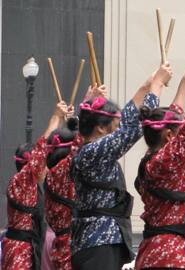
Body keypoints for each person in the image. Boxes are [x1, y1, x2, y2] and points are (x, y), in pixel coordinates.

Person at [70, 64, 172, 269]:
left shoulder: (91, 149)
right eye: (113, 127)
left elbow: (125, 119)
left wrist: (146, 85)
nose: (118, 129)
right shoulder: (91, 152)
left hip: (104, 241)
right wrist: (157, 88)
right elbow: (131, 132)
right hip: (97, 243)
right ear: (100, 127)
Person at [134, 61, 185, 269]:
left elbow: (177, 117)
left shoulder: (154, 160)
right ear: (170, 136)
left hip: (154, 251)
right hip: (168, 254)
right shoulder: (163, 163)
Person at [2, 101, 72, 270]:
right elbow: (40, 153)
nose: (46, 168)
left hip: (32, 247)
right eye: (42, 164)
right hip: (19, 251)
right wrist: (55, 117)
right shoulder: (21, 183)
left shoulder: (33, 187)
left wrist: (68, 123)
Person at [44, 85, 106, 270]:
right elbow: (80, 142)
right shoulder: (62, 173)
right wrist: (86, 104)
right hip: (74, 246)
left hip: (60, 245)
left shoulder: (49, 178)